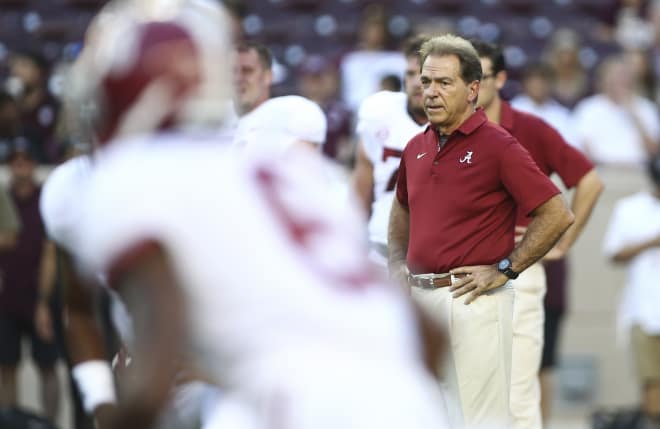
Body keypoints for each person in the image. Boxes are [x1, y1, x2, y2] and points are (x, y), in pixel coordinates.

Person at [62, 2, 452, 429]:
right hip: (407, 403)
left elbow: (158, 358)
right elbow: (429, 336)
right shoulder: (284, 172)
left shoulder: (137, 175)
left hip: (300, 402)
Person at [388, 34, 575, 429]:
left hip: (473, 301)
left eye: (444, 83)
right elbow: (401, 206)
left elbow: (556, 213)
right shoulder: (414, 147)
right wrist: (394, 262)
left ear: (473, 89)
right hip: (421, 299)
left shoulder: (498, 145)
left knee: (481, 422)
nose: (431, 92)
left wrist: (507, 268)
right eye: (426, 82)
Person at [472, 40, 604, 429]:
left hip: (518, 265)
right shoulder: (448, 129)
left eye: (480, 76)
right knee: (464, 387)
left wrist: (563, 241)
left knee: (519, 387)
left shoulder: (530, 128)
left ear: (500, 78)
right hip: (461, 267)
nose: (472, 86)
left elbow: (590, 181)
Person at [352, 35, 428, 266]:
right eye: (410, 74)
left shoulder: (460, 123)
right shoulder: (380, 111)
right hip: (381, 244)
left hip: (436, 254)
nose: (416, 82)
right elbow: (362, 183)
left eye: (424, 75)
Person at [0, 140, 60, 422]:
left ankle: (49, 423)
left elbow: (49, 253)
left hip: (37, 297)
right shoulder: (3, 198)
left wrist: (43, 302)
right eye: (15, 160)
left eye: (25, 159)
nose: (19, 165)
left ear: (34, 164)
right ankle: (10, 422)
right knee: (6, 366)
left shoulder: (46, 199)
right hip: (6, 298)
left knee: (47, 366)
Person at [603, 153, 660, 429]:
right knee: (651, 380)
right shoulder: (630, 208)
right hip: (645, 309)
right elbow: (613, 252)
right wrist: (652, 242)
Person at [233, 41, 327, 154]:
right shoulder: (212, 119)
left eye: (247, 71)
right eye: (232, 71)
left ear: (268, 76)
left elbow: (303, 166)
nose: (238, 78)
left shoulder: (294, 112)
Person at [572, 55, 660, 166]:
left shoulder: (646, 107)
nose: (619, 80)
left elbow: (654, 150)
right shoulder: (588, 108)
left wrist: (634, 115)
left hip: (639, 170)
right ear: (603, 79)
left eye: (623, 76)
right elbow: (580, 145)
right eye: (614, 76)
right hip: (601, 169)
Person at [510, 62, 576, 145]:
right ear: (525, 83)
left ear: (551, 84)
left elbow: (570, 145)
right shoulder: (512, 110)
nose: (539, 86)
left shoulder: (561, 114)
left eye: (543, 81)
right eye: (534, 82)